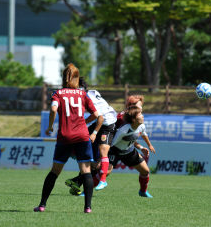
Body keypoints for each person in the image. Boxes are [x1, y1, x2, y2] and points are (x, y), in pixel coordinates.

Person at [33, 63, 99, 214]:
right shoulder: (83, 94)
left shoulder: (58, 93)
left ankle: (42, 205)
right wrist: (83, 122)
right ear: (77, 78)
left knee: (55, 172)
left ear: (63, 77)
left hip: (65, 136)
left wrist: (50, 126)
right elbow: (96, 115)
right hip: (83, 136)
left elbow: (53, 109)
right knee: (86, 171)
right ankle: (87, 207)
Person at [65, 77, 117, 193]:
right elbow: (95, 116)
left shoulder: (86, 97)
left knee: (98, 158)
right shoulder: (92, 93)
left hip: (107, 124)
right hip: (101, 123)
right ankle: (78, 181)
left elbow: (100, 117)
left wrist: (93, 133)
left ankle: (94, 180)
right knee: (84, 144)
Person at [108, 105, 154, 198]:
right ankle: (86, 191)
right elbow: (112, 144)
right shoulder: (124, 130)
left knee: (145, 171)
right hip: (115, 151)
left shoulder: (141, 126)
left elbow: (143, 134)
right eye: (140, 114)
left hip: (129, 151)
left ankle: (143, 192)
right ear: (133, 119)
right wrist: (103, 156)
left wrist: (145, 147)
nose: (143, 116)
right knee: (106, 172)